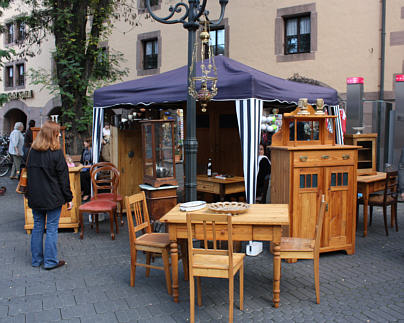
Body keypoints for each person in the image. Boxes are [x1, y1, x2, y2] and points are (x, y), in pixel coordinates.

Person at [26, 121, 72, 270]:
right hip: (52, 197)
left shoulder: (32, 151)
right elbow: (63, 179)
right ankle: (50, 261)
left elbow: (28, 174)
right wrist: (69, 198)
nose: (59, 134)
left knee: (38, 227)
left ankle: (36, 259)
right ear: (53, 134)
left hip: (35, 196)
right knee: (51, 228)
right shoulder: (56, 153)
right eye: (57, 132)